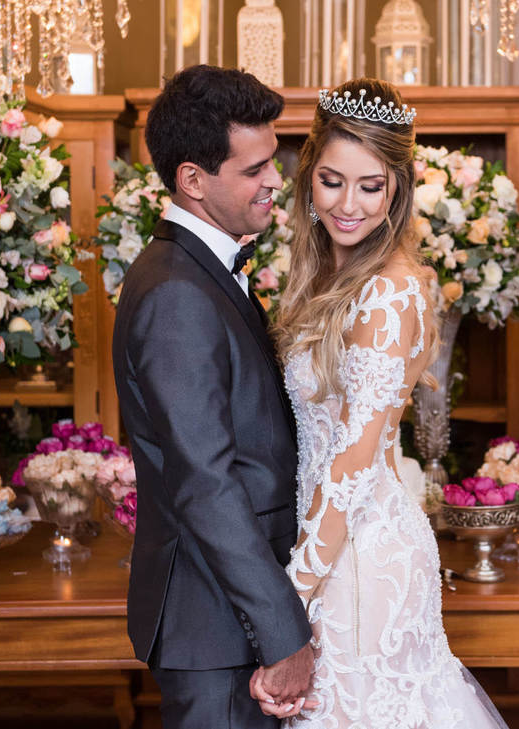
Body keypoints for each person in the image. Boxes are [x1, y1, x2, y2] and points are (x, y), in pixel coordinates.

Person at [257, 78, 509, 728]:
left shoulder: (388, 293)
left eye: (370, 186)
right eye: (332, 181)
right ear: (309, 177)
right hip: (330, 543)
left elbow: (351, 464)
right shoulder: (329, 276)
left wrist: (289, 598)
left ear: (397, 187)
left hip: (360, 558)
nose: (348, 204)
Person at [111, 64, 315, 729]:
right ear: (193, 180)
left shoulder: (200, 270)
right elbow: (206, 481)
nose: (275, 180)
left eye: (272, 161)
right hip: (217, 623)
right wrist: (283, 632)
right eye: (254, 169)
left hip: (229, 614)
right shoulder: (176, 292)